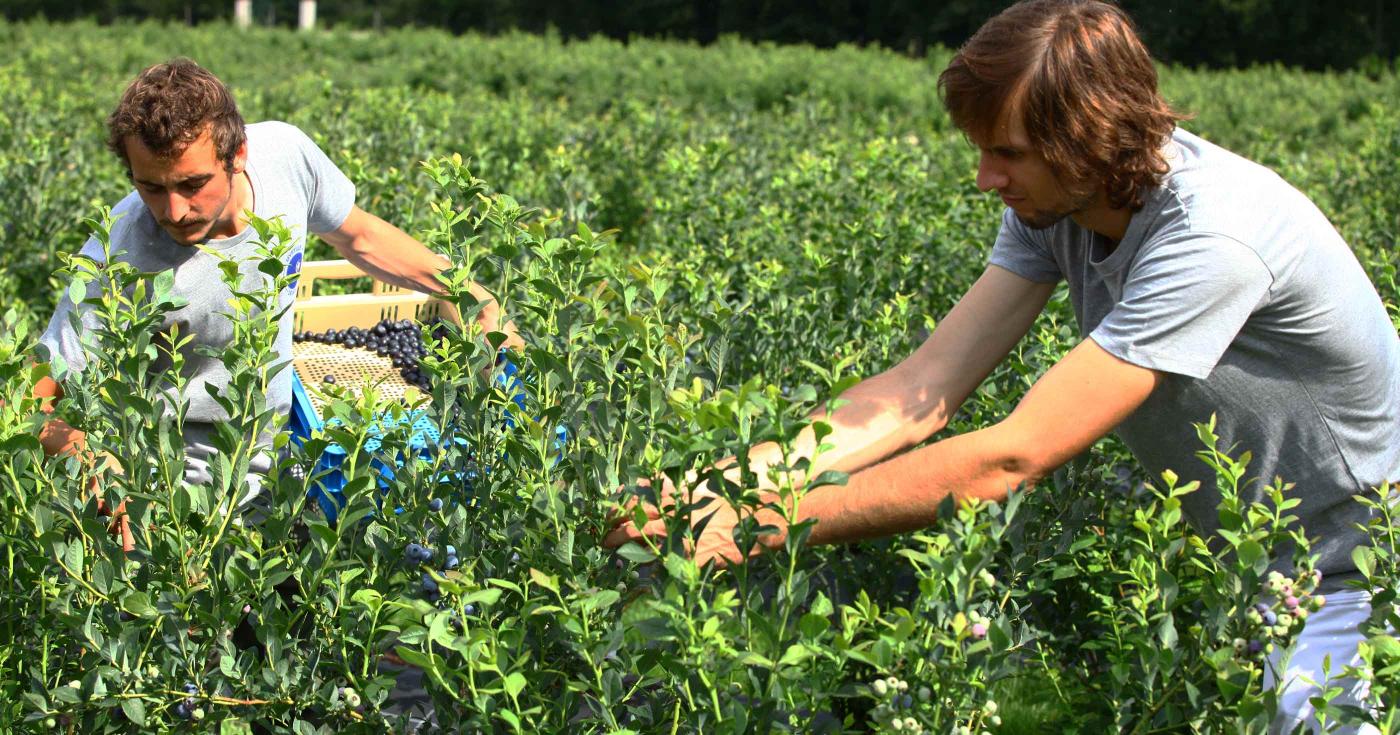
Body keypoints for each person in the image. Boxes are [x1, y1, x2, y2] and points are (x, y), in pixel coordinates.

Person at [603, 1, 1400, 732]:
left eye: (1007, 153)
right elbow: (923, 389)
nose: (986, 178)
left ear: (1090, 137)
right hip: (1271, 573)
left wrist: (757, 525)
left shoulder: (1213, 240)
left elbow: (1014, 455)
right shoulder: (1059, 204)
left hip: (1367, 571)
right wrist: (717, 487)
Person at [34, 58, 519, 547]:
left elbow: (362, 237)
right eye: (151, 187)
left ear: (238, 152)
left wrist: (463, 290)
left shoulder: (285, 156)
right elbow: (29, 401)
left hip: (284, 477)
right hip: (178, 508)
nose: (174, 210)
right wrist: (89, 457)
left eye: (192, 184)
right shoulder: (118, 257)